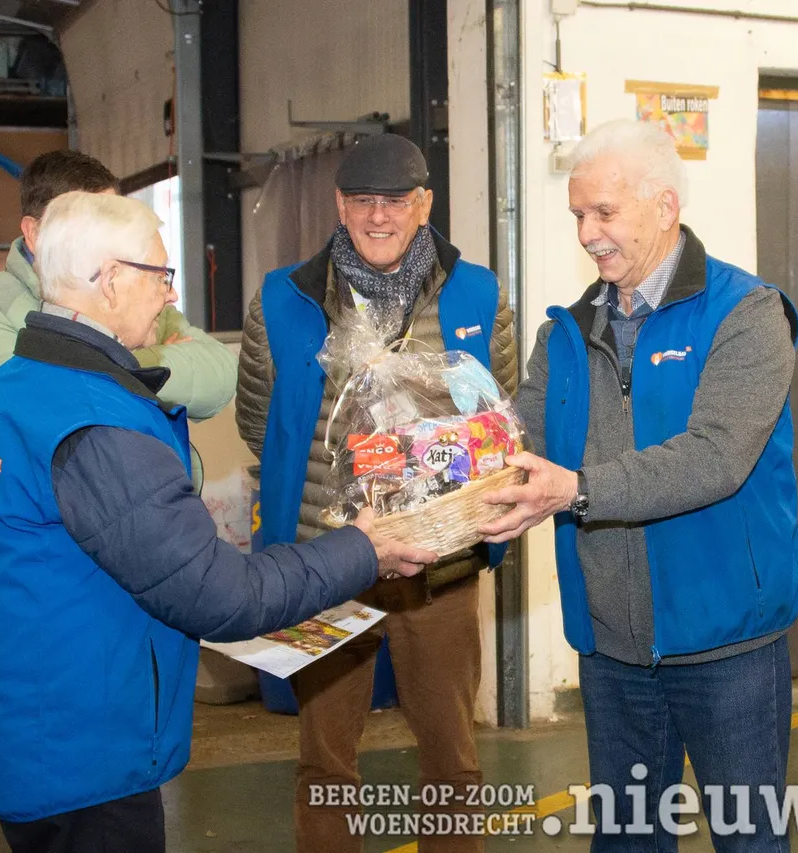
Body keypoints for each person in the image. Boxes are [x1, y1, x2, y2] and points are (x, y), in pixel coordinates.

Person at [0, 191, 437, 853]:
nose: (167, 294)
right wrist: (366, 548)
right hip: (85, 759)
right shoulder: (93, 421)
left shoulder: (14, 384)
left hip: (33, 729)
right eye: (159, 274)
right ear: (110, 279)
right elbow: (220, 594)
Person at [479, 119, 798, 851]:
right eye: (577, 216)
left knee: (748, 839)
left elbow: (715, 456)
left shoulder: (747, 315)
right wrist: (436, 474)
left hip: (727, 643)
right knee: (626, 841)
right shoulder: (565, 333)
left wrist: (575, 490)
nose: (588, 234)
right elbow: (514, 441)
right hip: (614, 650)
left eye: (604, 213)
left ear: (664, 206)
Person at [236, 134, 517, 853]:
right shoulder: (282, 300)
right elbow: (260, 422)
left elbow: (504, 414)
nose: (380, 215)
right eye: (363, 200)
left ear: (425, 204)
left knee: (452, 757)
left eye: (397, 200)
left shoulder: (479, 295)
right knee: (324, 762)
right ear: (339, 205)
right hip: (327, 565)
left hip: (442, 565)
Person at [0, 148, 236, 417]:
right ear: (34, 232)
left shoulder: (134, 292)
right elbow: (49, 404)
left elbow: (219, 376)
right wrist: (152, 359)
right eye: (89, 226)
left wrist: (114, 368)